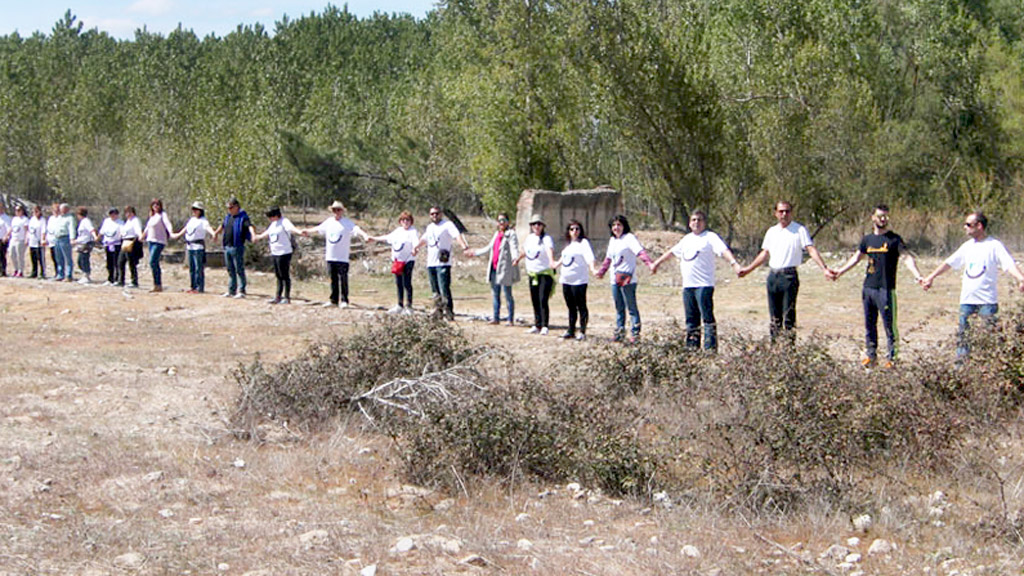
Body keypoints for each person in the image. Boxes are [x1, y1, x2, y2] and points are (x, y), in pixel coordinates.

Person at [920, 211, 1024, 359]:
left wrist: (1021, 278)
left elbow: (1008, 264)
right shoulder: (967, 246)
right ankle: (961, 369)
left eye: (968, 224)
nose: (965, 227)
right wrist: (931, 277)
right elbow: (949, 263)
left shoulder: (994, 245)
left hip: (987, 303)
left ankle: (989, 367)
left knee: (989, 341)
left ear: (979, 226)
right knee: (963, 341)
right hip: (967, 302)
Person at [831, 205, 924, 368]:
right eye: (880, 216)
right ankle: (871, 355)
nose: (883, 219)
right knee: (869, 324)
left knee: (889, 326)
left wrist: (917, 275)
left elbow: (906, 258)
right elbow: (857, 258)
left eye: (886, 216)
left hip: (886, 289)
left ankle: (892, 358)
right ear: (873, 218)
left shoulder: (894, 239)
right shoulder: (867, 240)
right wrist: (840, 271)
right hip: (869, 288)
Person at [738, 201, 833, 343]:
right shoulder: (771, 231)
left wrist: (824, 268)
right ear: (775, 213)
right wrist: (748, 269)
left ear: (791, 213)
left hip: (789, 276)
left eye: (787, 211)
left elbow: (810, 249)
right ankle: (775, 349)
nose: (784, 214)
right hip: (773, 276)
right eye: (781, 211)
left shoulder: (799, 230)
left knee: (788, 316)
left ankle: (789, 349)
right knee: (774, 318)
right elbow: (765, 253)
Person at [651, 210, 741, 352]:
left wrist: (734, 263)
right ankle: (692, 349)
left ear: (704, 223)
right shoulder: (686, 239)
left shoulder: (710, 237)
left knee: (707, 319)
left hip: (704, 285)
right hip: (688, 286)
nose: (696, 223)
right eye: (693, 220)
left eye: (699, 220)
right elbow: (672, 252)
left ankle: (710, 350)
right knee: (691, 320)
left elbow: (723, 250)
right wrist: (656, 263)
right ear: (689, 223)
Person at [595, 215, 655, 343]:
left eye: (619, 225)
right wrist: (602, 271)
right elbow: (608, 259)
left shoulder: (629, 238)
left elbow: (640, 252)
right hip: (614, 278)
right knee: (619, 307)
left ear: (624, 226)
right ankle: (620, 332)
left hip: (627, 278)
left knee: (631, 307)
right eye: (614, 225)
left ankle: (635, 333)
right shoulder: (613, 240)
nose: (616, 227)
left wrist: (649, 263)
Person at [301, 200, 365, 308]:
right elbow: (318, 229)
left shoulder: (347, 222)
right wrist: (307, 231)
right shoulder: (329, 222)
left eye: (338, 210)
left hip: (342, 257)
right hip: (331, 256)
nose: (336, 212)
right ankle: (334, 300)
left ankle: (344, 300)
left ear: (342, 211)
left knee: (343, 279)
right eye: (334, 210)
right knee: (333, 279)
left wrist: (365, 235)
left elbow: (356, 229)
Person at [414, 206, 469, 320]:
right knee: (435, 290)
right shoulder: (430, 227)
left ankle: (448, 312)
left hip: (443, 262)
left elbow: (457, 235)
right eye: (432, 214)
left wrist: (464, 246)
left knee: (444, 288)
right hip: (431, 263)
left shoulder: (447, 225)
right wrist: (416, 247)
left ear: (441, 214)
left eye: (436, 213)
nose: (434, 216)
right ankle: (438, 311)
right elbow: (424, 239)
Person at [467, 213, 519, 325]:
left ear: (508, 222)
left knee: (507, 294)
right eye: (499, 220)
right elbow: (488, 248)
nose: (501, 222)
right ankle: (496, 318)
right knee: (495, 294)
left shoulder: (511, 234)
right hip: (494, 268)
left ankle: (510, 319)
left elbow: (514, 247)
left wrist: (515, 258)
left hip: (505, 269)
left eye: (503, 220)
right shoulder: (496, 234)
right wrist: (475, 252)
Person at [366, 211, 419, 313]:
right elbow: (387, 237)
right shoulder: (398, 231)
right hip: (397, 261)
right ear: (400, 221)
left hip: (408, 260)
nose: (405, 222)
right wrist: (374, 239)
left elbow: (416, 242)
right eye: (403, 220)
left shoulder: (413, 231)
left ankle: (409, 306)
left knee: (407, 283)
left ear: (411, 221)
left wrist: (415, 249)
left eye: (407, 220)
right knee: (399, 282)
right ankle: (399, 305)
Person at [552, 218, 596, 340]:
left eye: (577, 229)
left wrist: (593, 269)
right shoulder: (569, 245)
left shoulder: (584, 243)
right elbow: (564, 258)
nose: (575, 231)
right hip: (566, 280)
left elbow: (590, 258)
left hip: (579, 280)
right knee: (571, 306)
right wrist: (556, 264)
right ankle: (571, 330)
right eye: (572, 229)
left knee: (581, 305)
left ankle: (582, 331)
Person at [514, 214, 556, 335]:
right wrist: (518, 259)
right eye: (534, 224)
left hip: (544, 273)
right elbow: (526, 251)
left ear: (543, 226)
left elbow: (549, 250)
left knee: (543, 299)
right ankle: (537, 324)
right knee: (535, 299)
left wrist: (551, 261)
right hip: (532, 273)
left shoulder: (546, 239)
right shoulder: (530, 238)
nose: (536, 226)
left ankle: (545, 325)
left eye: (539, 224)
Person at [253, 206, 301, 304]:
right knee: (278, 275)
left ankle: (286, 297)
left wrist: (300, 232)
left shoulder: (284, 222)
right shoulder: (273, 224)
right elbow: (268, 232)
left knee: (284, 275)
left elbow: (292, 228)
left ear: (276, 215)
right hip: (275, 252)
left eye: (270, 216)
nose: (269, 218)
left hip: (284, 252)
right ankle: (278, 296)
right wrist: (259, 237)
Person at [172, 201, 217, 294]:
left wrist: (213, 233)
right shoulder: (192, 220)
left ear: (200, 211)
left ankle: (199, 287)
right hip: (190, 246)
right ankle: (193, 286)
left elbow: (208, 228)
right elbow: (186, 229)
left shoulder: (203, 221)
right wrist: (178, 235)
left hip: (198, 247)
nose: (194, 211)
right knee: (192, 268)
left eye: (196, 209)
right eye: (193, 209)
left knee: (198, 268)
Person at [215, 198, 255, 298]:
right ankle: (231, 290)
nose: (229, 210)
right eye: (228, 208)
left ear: (236, 207)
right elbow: (222, 226)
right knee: (230, 269)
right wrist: (216, 233)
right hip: (227, 246)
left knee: (239, 269)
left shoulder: (243, 218)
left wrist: (253, 235)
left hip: (237, 247)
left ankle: (241, 291)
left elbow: (249, 226)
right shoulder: (228, 217)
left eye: (231, 207)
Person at [142, 198, 175, 292]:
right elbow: (147, 228)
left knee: (152, 261)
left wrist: (171, 232)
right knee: (154, 263)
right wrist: (142, 236)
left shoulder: (162, 215)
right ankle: (157, 285)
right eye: (154, 205)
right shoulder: (152, 216)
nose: (155, 206)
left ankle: (158, 284)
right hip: (150, 240)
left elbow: (168, 224)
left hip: (159, 241)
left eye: (157, 204)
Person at [117, 206, 143, 288]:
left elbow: (138, 230)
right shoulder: (127, 221)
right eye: (126, 212)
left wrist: (140, 236)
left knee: (131, 262)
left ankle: (134, 281)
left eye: (130, 212)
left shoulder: (135, 220)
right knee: (120, 261)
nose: (128, 214)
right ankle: (121, 280)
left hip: (132, 241)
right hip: (125, 241)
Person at [98, 207, 124, 285]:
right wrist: (97, 238)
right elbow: (102, 231)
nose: (113, 215)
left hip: (116, 244)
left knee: (116, 262)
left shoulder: (120, 222)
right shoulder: (106, 221)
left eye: (114, 214)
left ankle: (117, 278)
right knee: (109, 262)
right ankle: (110, 278)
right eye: (111, 214)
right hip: (107, 243)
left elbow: (122, 232)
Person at [71, 206, 97, 284]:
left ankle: (86, 275)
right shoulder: (82, 222)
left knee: (84, 259)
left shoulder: (86, 221)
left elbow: (91, 229)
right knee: (80, 260)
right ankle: (84, 274)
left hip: (87, 243)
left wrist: (95, 236)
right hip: (81, 243)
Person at [54, 203, 76, 281]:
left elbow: (72, 228)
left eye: (62, 209)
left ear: (66, 209)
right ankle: (60, 274)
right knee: (59, 257)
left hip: (65, 238)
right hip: (57, 238)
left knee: (67, 257)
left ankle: (69, 275)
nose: (60, 210)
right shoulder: (59, 217)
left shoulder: (70, 218)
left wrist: (72, 238)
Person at [7, 204, 29, 278]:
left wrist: (26, 239)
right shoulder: (14, 219)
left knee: (20, 256)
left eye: (18, 210)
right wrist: (7, 235)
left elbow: (26, 230)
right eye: (16, 210)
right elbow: (11, 228)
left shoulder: (25, 219)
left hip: (21, 239)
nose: (17, 212)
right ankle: (16, 269)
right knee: (12, 254)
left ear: (22, 211)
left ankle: (20, 271)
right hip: (13, 239)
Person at [28, 205, 46, 279]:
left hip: (39, 242)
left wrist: (43, 239)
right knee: (33, 258)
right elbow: (29, 230)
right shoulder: (32, 219)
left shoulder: (42, 220)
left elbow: (43, 231)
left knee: (41, 258)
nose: (35, 213)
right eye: (34, 211)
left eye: (37, 211)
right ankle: (34, 272)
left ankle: (42, 272)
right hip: (32, 241)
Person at [45, 203, 61, 280]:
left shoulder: (61, 218)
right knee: (53, 257)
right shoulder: (51, 219)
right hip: (51, 241)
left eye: (57, 210)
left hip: (58, 241)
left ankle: (61, 273)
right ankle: (56, 272)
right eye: (54, 210)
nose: (55, 211)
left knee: (59, 258)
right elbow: (48, 229)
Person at [0, 202, 10, 277]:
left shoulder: (6, 218)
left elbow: (9, 228)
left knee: (2, 256)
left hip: (2, 239)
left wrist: (6, 236)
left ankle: (3, 271)